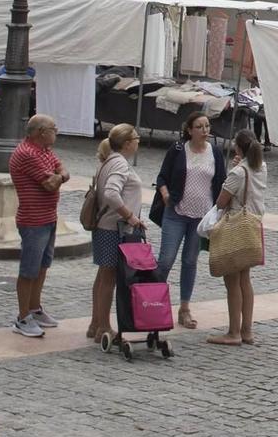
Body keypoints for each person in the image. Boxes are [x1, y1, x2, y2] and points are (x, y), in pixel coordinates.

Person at [153, 113, 227, 330]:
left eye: (207, 126)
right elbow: (162, 177)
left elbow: (221, 182)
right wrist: (165, 194)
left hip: (201, 218)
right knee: (166, 259)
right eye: (199, 126)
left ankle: (184, 308)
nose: (204, 130)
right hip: (175, 212)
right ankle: (155, 303)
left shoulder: (215, 153)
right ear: (190, 130)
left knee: (190, 261)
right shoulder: (177, 149)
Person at [6, 113, 67, 338]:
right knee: (29, 270)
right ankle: (23, 318)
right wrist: (60, 177)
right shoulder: (27, 154)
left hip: (48, 217)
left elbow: (60, 168)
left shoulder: (44, 151)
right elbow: (51, 183)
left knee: (42, 266)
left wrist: (59, 175)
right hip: (33, 220)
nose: (56, 131)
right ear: (41, 132)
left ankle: (35, 308)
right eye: (54, 128)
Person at [87, 123, 149, 342]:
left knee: (103, 276)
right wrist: (130, 216)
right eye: (136, 138)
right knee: (109, 278)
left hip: (105, 225)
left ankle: (96, 323)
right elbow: (112, 193)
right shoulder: (120, 164)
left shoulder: (109, 161)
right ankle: (103, 326)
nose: (138, 141)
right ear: (127, 143)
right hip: (114, 228)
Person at [208, 128, 268, 346]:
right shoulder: (262, 168)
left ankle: (233, 332)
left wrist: (233, 170)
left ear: (238, 148)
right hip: (252, 225)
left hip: (235, 226)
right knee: (245, 280)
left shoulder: (238, 173)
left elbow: (221, 202)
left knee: (232, 281)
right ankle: (247, 331)